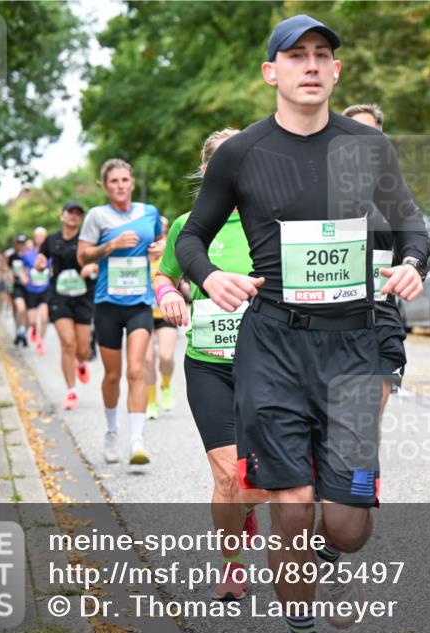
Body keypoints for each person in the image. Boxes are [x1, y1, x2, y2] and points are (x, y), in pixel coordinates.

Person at [175, 16, 430, 633]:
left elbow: (412, 226)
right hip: (274, 346)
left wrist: (412, 265)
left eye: (323, 55)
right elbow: (191, 235)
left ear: (336, 72)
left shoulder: (369, 149)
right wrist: (209, 276)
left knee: (343, 526)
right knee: (290, 506)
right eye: (296, 56)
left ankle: (330, 536)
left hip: (354, 345)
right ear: (272, 73)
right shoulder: (242, 153)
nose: (311, 65)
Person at [156, 128, 267, 601]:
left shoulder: (272, 223)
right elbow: (165, 274)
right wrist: (167, 297)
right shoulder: (188, 226)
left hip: (268, 366)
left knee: (257, 482)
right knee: (227, 475)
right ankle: (233, 565)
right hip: (208, 364)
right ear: (207, 171)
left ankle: (246, 507)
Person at [78, 158, 164, 466]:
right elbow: (82, 255)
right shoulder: (97, 216)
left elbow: (160, 239)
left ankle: (136, 440)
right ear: (105, 185)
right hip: (107, 306)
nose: (120, 186)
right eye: (113, 181)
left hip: (140, 303)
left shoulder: (149, 212)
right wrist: (110, 245)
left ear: (132, 183)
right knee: (113, 375)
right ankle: (112, 430)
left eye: (125, 180)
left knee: (136, 370)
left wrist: (159, 248)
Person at [342, 103, 408, 410]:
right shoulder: (321, 189)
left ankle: (363, 458)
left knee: (370, 412)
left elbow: (417, 238)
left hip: (381, 315)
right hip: (334, 317)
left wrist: (412, 264)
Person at [39, 201, 97, 411]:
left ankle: (81, 363)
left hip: (83, 297)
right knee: (68, 344)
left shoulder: (86, 240)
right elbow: (41, 258)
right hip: (59, 296)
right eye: (70, 212)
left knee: (82, 349)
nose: (73, 216)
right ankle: (71, 392)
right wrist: (39, 263)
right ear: (62, 215)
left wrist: (92, 266)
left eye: (77, 214)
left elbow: (97, 261)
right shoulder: (51, 240)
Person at [144, 217, 178, 419]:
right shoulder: (141, 251)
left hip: (166, 313)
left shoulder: (171, 250)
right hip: (143, 312)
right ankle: (152, 401)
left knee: (166, 357)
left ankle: (165, 385)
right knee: (148, 360)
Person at [21, 227, 51, 354]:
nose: (40, 239)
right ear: (35, 238)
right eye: (38, 237)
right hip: (31, 290)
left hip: (45, 289)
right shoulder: (28, 255)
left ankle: (40, 341)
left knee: (44, 318)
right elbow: (23, 269)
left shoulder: (51, 254)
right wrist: (23, 277)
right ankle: (33, 329)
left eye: (42, 237)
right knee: (32, 320)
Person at [6, 234, 30, 347]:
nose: (21, 246)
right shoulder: (12, 257)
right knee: (19, 309)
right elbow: (9, 271)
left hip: (30, 287)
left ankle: (23, 333)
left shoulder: (31, 256)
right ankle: (19, 330)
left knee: (28, 313)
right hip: (17, 286)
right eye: (19, 243)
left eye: (23, 243)